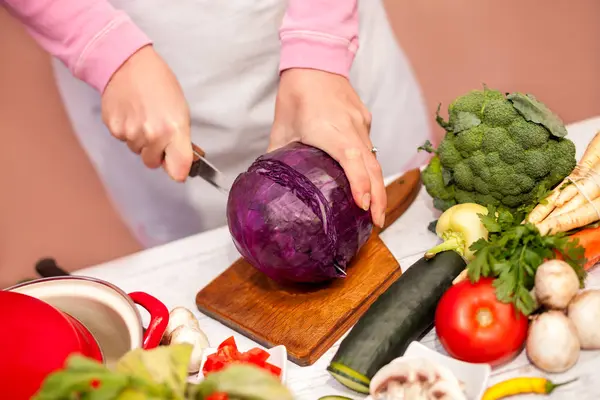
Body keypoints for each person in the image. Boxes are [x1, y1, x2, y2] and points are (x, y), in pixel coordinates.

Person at [2, 0, 431, 248]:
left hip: (326, 43)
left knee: (407, 228)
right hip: (133, 58)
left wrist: (321, 47)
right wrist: (103, 48)